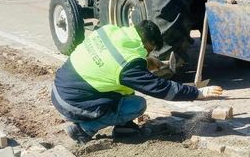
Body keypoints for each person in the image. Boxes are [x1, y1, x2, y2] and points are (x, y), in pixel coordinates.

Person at [52, 20, 223, 143]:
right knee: (137, 105)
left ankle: (124, 128)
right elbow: (160, 88)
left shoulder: (110, 30)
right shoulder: (128, 65)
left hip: (61, 89)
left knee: (124, 88)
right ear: (149, 43)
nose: (148, 53)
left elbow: (108, 62)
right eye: (150, 50)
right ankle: (83, 130)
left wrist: (145, 63)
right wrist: (197, 93)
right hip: (72, 104)